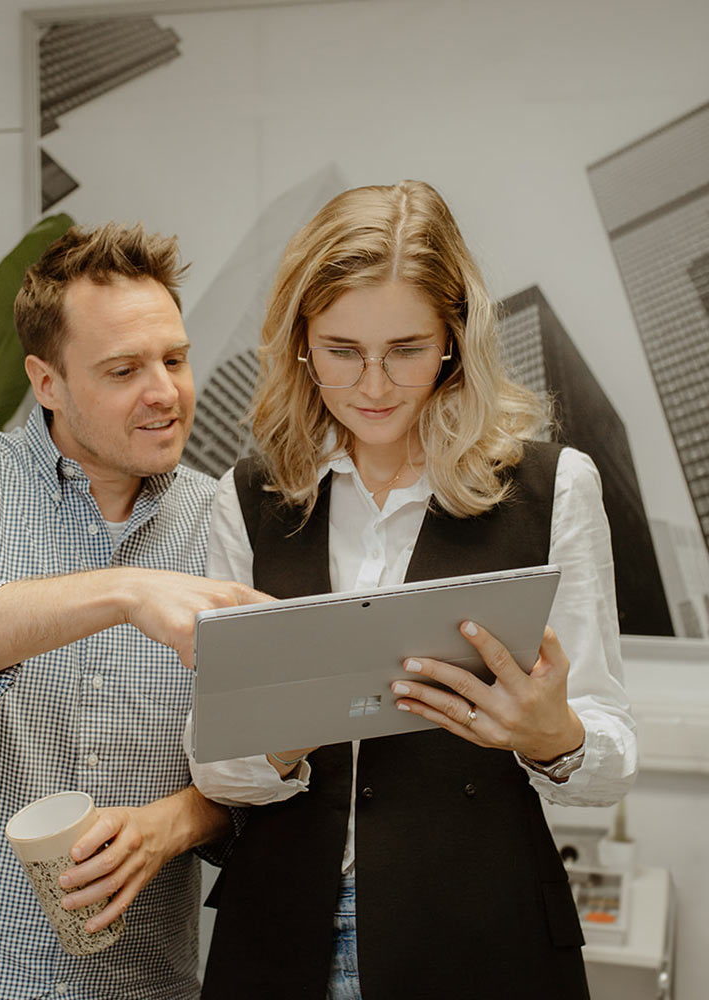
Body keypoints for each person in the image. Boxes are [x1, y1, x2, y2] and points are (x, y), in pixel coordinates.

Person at [187, 181, 638, 1000]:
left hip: (481, 935)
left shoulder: (555, 488)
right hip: (277, 937)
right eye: (341, 349)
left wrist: (553, 736)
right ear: (301, 344)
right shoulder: (245, 498)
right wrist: (282, 737)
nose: (373, 383)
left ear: (453, 342)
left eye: (405, 347)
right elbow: (216, 766)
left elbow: (609, 756)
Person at [0, 222, 263, 1000]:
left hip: (138, 985)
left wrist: (176, 821)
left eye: (174, 359)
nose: (164, 392)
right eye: (123, 369)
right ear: (46, 382)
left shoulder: (226, 521)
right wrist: (124, 593)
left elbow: (276, 759)